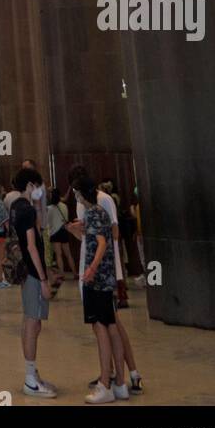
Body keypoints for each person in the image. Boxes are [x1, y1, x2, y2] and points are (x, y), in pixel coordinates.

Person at [67, 165, 143, 395]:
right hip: (92, 270)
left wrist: (98, 267)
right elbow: (91, 237)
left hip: (103, 272)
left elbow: (110, 237)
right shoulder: (85, 207)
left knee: (111, 325)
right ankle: (111, 373)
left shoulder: (103, 202)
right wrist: (77, 231)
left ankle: (128, 374)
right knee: (104, 325)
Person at [73, 176, 129, 404]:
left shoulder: (94, 212)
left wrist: (92, 269)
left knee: (100, 327)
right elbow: (98, 239)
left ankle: (105, 383)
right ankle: (120, 384)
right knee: (112, 326)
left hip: (96, 280)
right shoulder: (99, 213)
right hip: (106, 278)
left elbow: (102, 243)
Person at [10, 168, 56, 399]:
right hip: (33, 273)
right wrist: (44, 279)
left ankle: (32, 373)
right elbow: (31, 246)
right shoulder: (26, 210)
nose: (41, 190)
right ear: (30, 185)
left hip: (25, 272)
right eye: (39, 185)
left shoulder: (16, 207)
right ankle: (30, 379)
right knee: (32, 321)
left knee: (31, 321)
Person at [47, 188, 75, 279]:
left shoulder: (49, 209)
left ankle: (62, 274)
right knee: (68, 254)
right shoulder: (64, 206)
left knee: (58, 254)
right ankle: (75, 273)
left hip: (55, 233)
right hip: (64, 231)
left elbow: (48, 222)